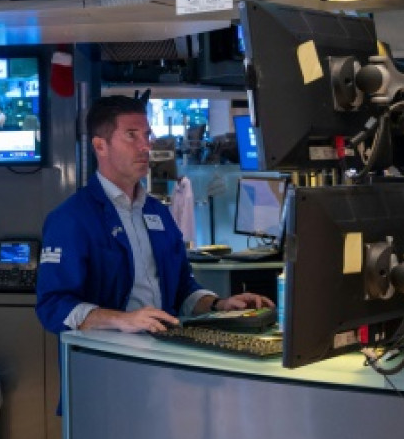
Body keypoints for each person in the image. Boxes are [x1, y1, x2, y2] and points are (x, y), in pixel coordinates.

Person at [37, 95, 270, 335]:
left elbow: (182, 291)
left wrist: (220, 305)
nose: (145, 146)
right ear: (100, 146)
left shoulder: (157, 212)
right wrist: (122, 320)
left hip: (160, 350)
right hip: (103, 358)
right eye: (131, 135)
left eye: (146, 135)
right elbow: (53, 306)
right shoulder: (71, 218)